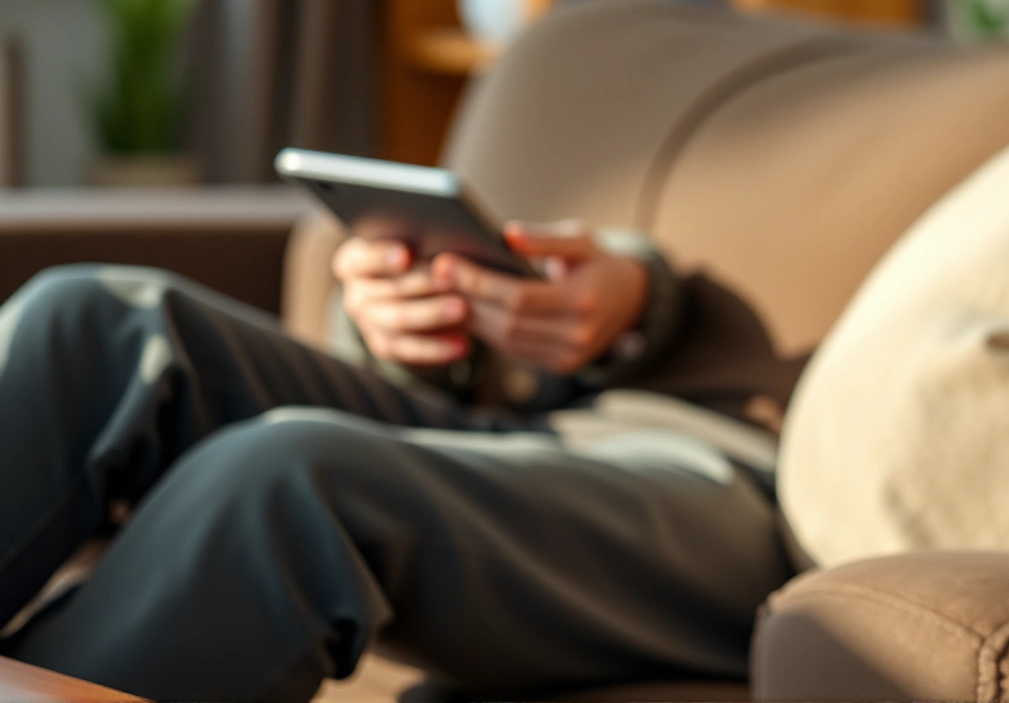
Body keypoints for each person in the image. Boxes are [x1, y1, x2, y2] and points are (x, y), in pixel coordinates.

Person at [0, 223, 792, 702]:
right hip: (529, 417)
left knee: (284, 479)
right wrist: (408, 325)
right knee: (90, 319)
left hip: (722, 480)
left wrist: (640, 295)